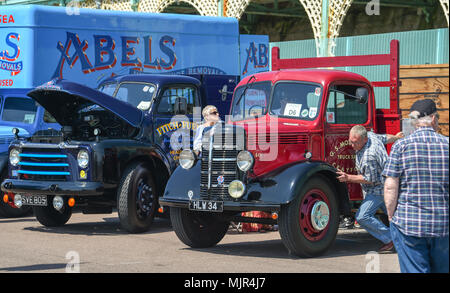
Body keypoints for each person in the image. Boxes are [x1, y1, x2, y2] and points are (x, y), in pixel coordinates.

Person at [383, 99, 449, 273]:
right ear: (434, 119)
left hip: (408, 224)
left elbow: (390, 186)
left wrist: (390, 216)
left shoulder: (400, 146)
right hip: (443, 224)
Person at [336, 125, 403, 252]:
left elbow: (369, 179)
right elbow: (385, 138)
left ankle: (391, 239)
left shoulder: (369, 156)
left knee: (362, 216)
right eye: (350, 141)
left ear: (364, 140)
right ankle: (405, 239)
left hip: (378, 189)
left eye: (355, 142)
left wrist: (348, 177)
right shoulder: (371, 136)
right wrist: (396, 137)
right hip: (387, 184)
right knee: (394, 215)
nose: (351, 145)